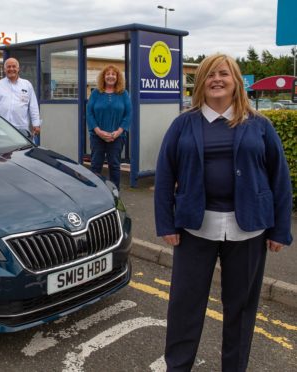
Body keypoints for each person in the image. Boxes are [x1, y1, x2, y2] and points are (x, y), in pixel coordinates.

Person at [154, 54, 293, 371]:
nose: (216, 79)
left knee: (241, 310)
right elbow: (164, 176)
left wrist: (280, 230)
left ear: (235, 81)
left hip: (249, 231)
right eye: (209, 75)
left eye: (223, 74)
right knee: (184, 307)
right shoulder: (182, 124)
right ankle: (178, 366)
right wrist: (166, 223)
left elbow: (279, 178)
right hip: (194, 229)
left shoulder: (259, 124)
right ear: (200, 82)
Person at [86, 64, 131, 189]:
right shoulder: (96, 93)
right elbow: (89, 113)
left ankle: (115, 193)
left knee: (115, 166)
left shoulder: (124, 94)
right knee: (95, 165)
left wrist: (118, 132)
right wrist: (98, 131)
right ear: (103, 77)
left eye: (113, 74)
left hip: (117, 137)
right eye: (108, 74)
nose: (110, 76)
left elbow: (128, 115)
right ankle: (94, 192)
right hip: (97, 137)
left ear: (117, 77)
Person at [0, 57, 41, 135]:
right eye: (8, 67)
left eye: (14, 66)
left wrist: (36, 124)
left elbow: (33, 106)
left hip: (22, 130)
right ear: (4, 69)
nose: (11, 69)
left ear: (18, 69)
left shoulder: (27, 84)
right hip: (1, 130)